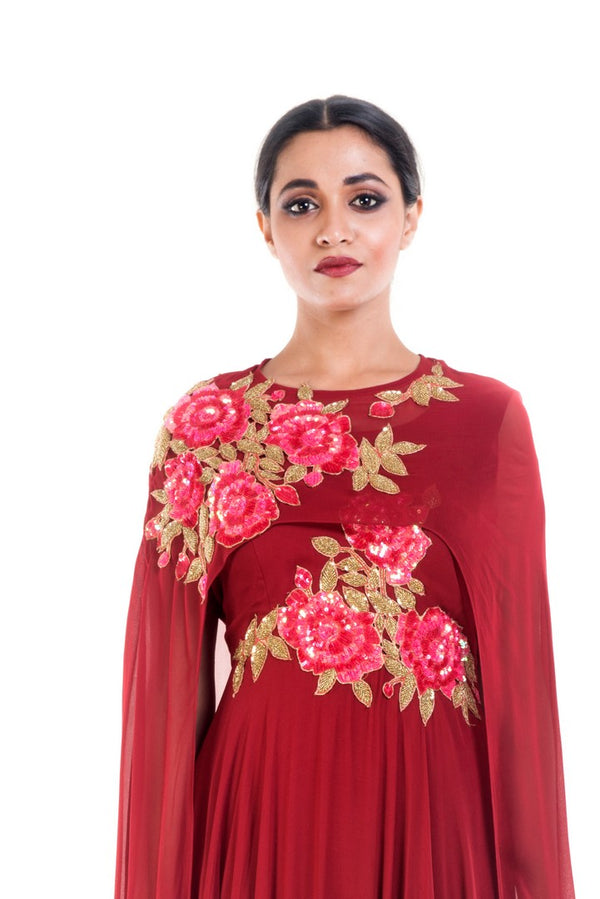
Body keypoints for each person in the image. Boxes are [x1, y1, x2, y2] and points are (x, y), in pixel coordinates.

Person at [115, 96, 575, 898]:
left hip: (435, 819)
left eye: (365, 199)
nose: (334, 230)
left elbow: (524, 695)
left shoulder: (487, 421)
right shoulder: (205, 428)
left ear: (412, 217)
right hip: (261, 819)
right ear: (266, 227)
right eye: (302, 204)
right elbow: (162, 699)